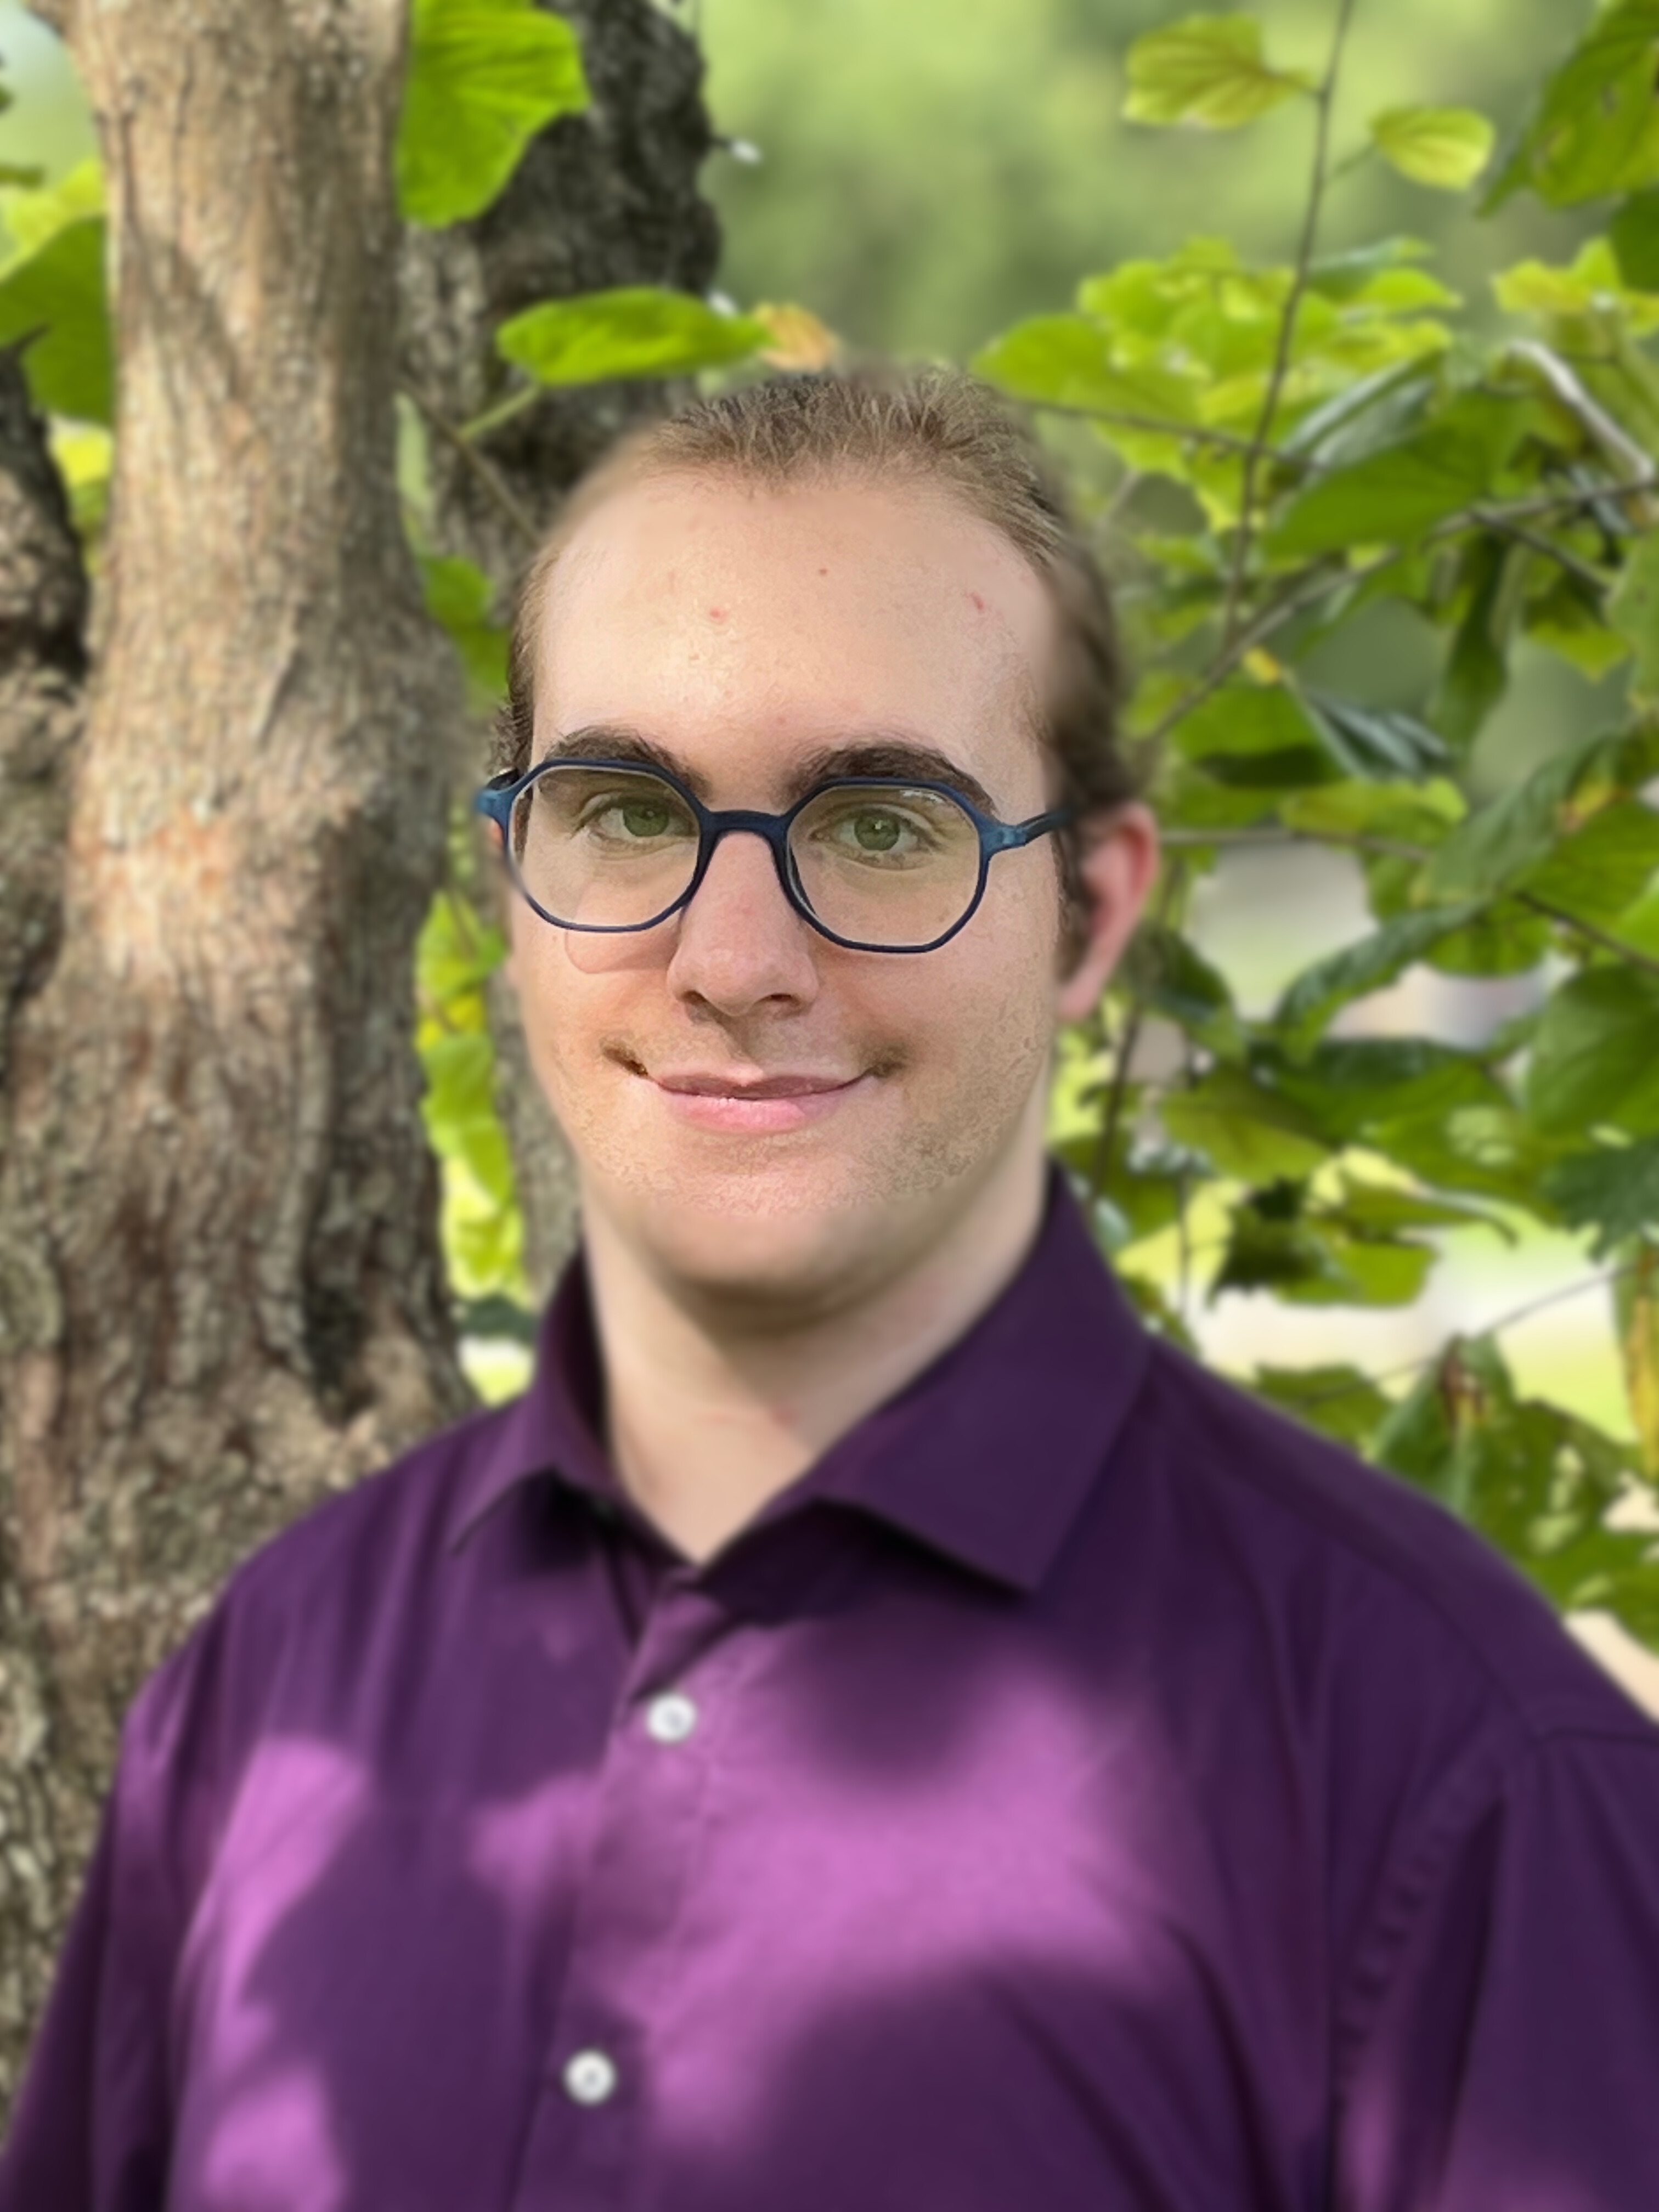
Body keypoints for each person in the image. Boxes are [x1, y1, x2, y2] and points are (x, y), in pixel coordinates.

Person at [4, 370, 1657, 2211]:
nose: (730, 960)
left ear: (1092, 916)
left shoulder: (1456, 1773)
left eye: (881, 826)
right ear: (509, 882)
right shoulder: (268, 1691)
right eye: (625, 809)